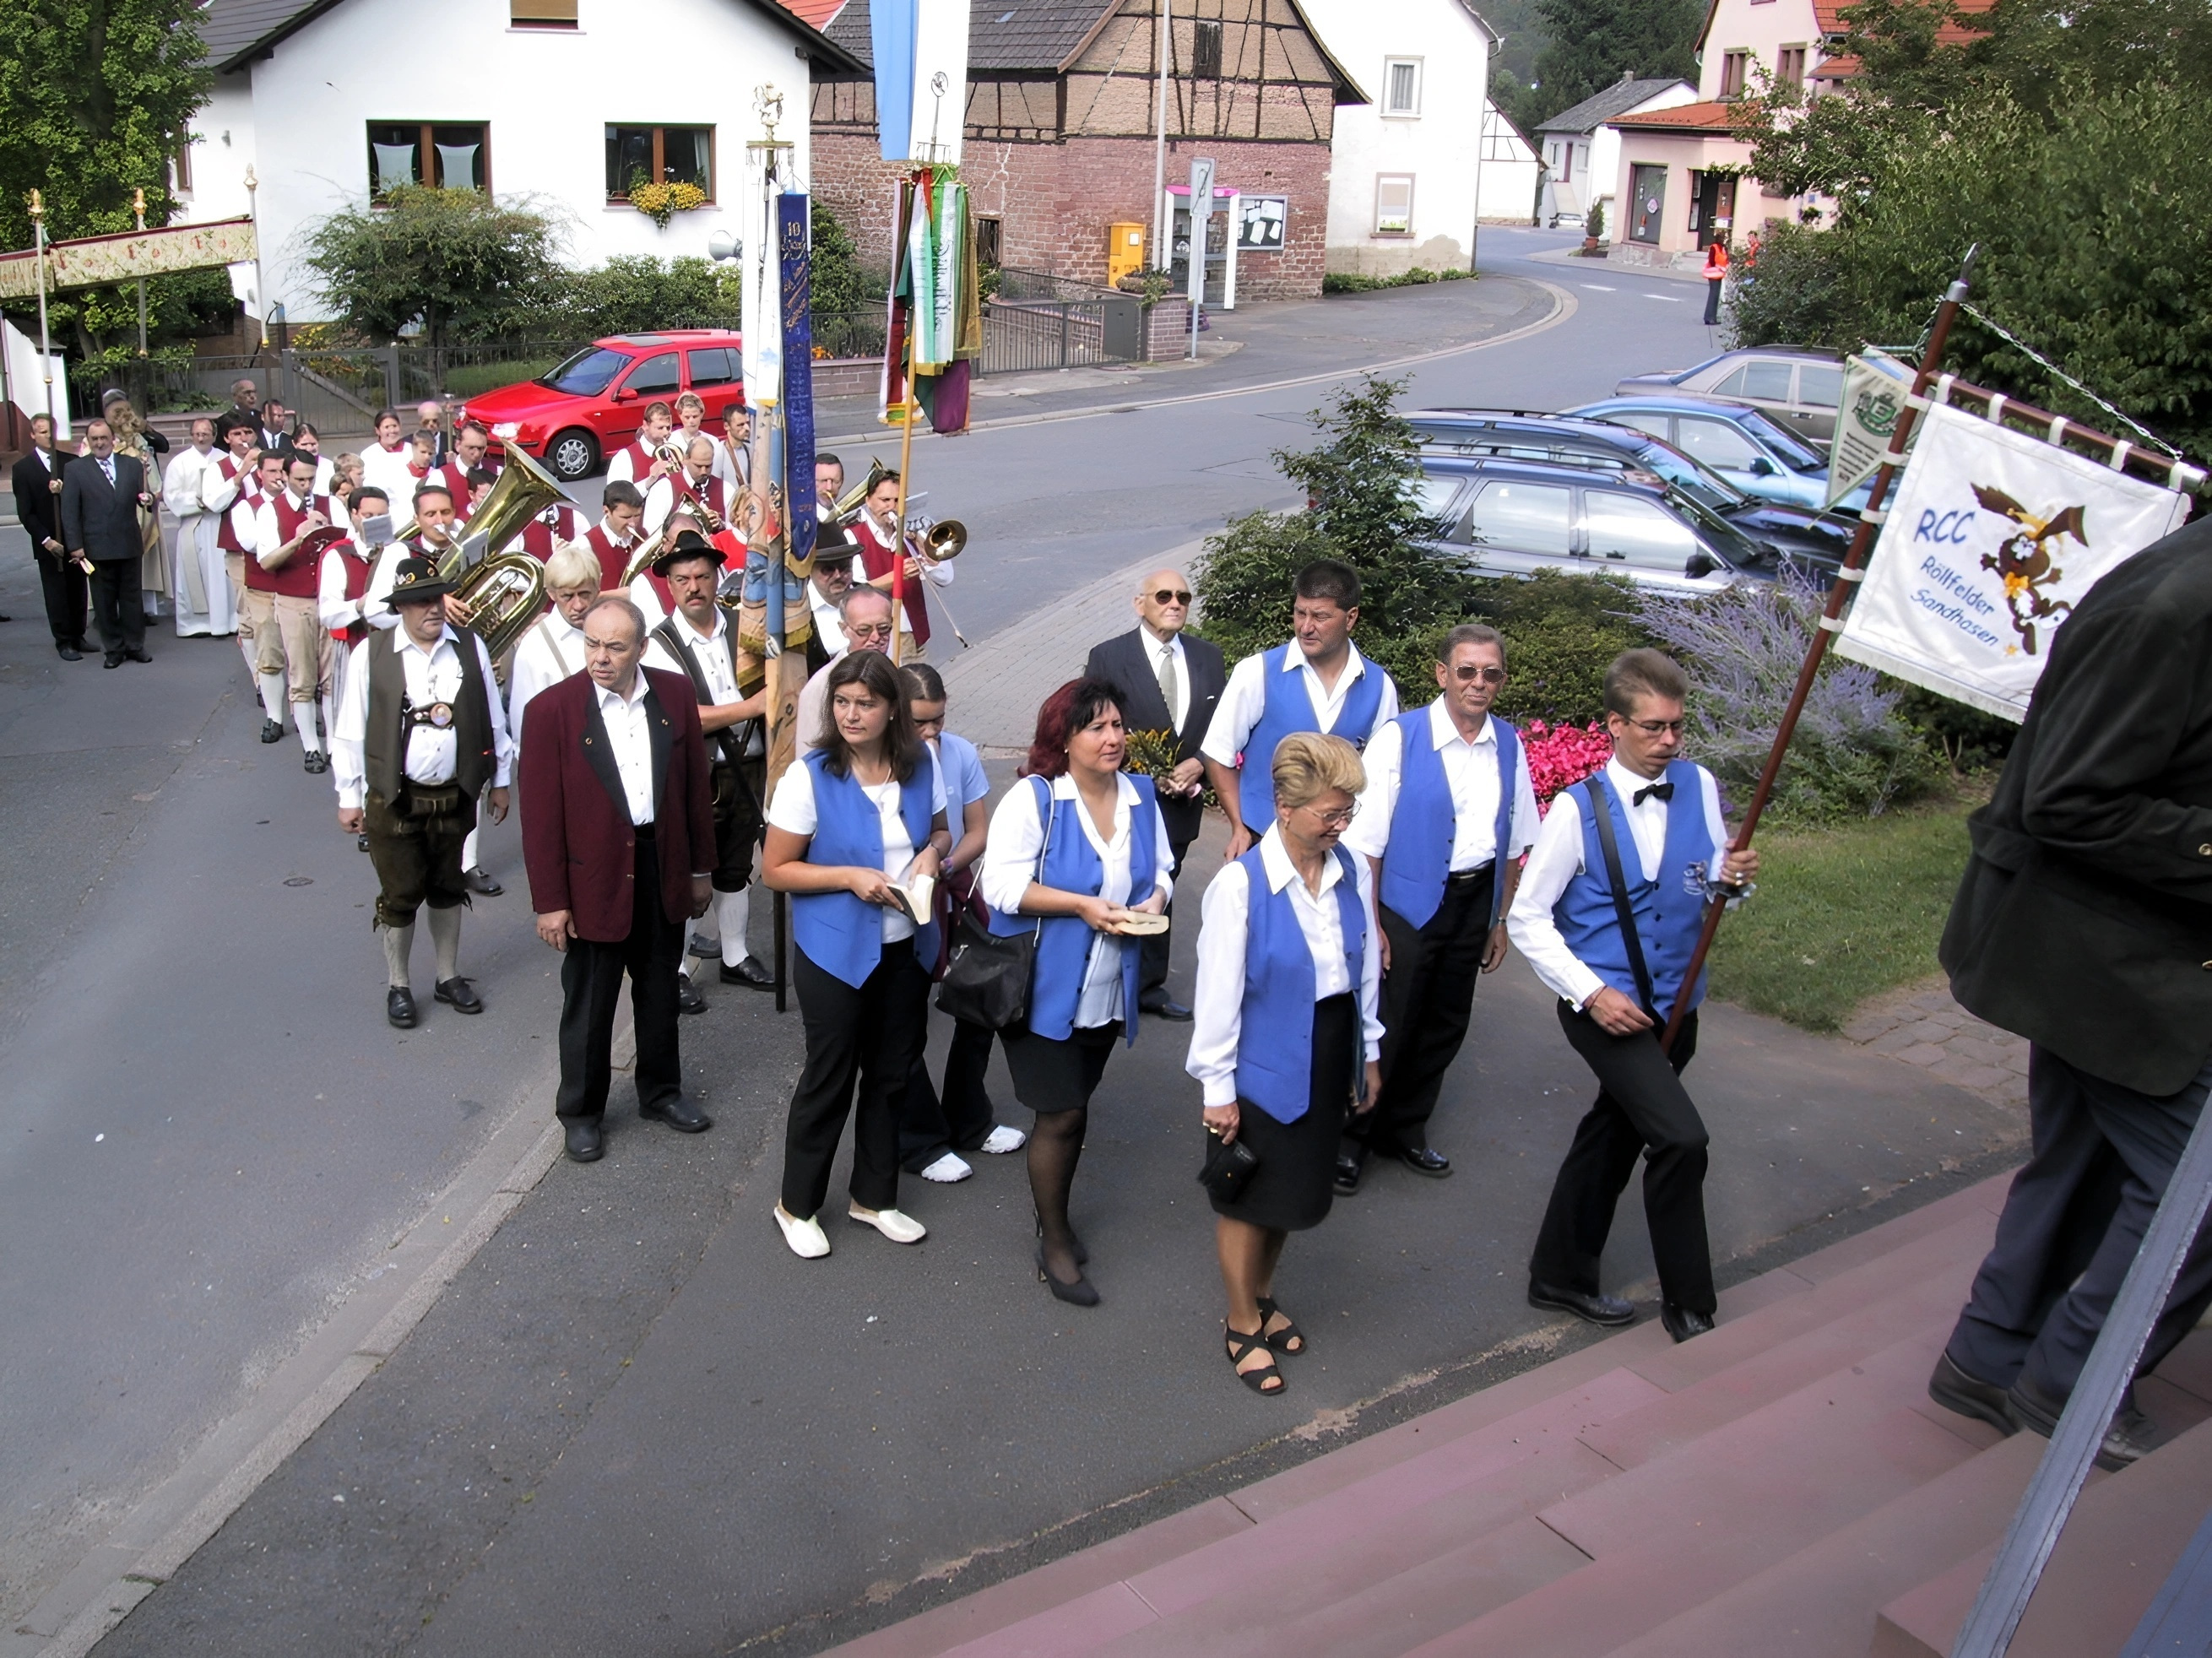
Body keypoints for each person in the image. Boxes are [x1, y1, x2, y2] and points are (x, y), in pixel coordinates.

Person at [1926, 518, 2212, 1470]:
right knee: (2196, 1191)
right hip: (2095, 958)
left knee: (2086, 1162)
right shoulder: (2171, 609)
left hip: (2110, 955)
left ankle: (1986, 1358)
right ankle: (2073, 1382)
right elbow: (2072, 799)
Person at [1509, 648, 1754, 1344]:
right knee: (1680, 1138)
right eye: (1653, 727)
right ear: (1615, 725)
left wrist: (1732, 882)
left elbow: (1706, 887)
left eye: (1677, 726)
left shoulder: (1698, 785)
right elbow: (1527, 917)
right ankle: (1690, 1301)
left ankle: (1558, 1273)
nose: (1669, 740)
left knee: (1613, 1132)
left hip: (1679, 1002)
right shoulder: (1575, 809)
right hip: (1607, 1011)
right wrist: (1591, 994)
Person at [1188, 733, 1384, 1395]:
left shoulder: (1349, 869)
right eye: (1330, 813)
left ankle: (1264, 1295)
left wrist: (1369, 1052)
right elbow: (1217, 998)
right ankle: (1241, 1320)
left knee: (1291, 1193)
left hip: (1328, 1047)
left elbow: (1364, 969)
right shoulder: (1239, 887)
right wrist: (1218, 1090)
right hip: (1261, 1063)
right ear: (1284, 806)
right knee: (1248, 1200)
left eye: (1347, 812)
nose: (1341, 826)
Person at [980, 677, 1173, 1304]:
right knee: (1061, 1113)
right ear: (1063, 739)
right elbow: (999, 887)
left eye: (1117, 725)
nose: (1113, 738)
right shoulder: (1037, 798)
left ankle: (1052, 1216)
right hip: (1042, 988)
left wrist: (1155, 899)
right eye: (1096, 728)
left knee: (1076, 1104)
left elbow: (1163, 868)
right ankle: (1055, 1241)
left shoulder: (1141, 795)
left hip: (1107, 989)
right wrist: (1082, 905)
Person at [1336, 623, 1539, 1192]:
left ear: (1501, 680)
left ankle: (1405, 1128)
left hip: (1474, 903)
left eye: (1491, 673)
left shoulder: (1508, 744)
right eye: (1467, 671)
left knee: (1445, 1021)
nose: (1479, 683)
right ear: (1443, 674)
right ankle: (1351, 1138)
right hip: (1406, 904)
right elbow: (1366, 845)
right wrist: (1373, 923)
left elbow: (1515, 842)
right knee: (1389, 1022)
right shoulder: (1400, 738)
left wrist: (1499, 919)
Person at [762, 651, 950, 1259]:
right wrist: (847, 877)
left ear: (892, 708)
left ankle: (874, 1197)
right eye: (841, 702)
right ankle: (796, 1205)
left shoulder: (920, 764)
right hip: (834, 954)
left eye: (865, 703)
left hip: (904, 948)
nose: (850, 714)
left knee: (892, 1075)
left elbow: (941, 830)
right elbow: (775, 870)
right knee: (830, 1077)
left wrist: (933, 855)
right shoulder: (809, 776)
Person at [521, 595, 718, 1162]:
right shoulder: (551, 711)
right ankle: (582, 1113)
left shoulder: (674, 694)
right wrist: (551, 901)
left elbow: (694, 789)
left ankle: (661, 1093)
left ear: (642, 648)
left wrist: (699, 870)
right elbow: (540, 817)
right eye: (591, 643)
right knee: (590, 1004)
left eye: (614, 646)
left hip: (661, 864)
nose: (600, 658)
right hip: (593, 878)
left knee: (660, 992)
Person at [331, 555, 514, 1028]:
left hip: (455, 794)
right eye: (418, 601)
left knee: (448, 886)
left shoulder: (469, 646)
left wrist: (500, 781)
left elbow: (493, 719)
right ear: (400, 608)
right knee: (400, 893)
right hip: (394, 798)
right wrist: (348, 795)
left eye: (435, 597)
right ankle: (399, 984)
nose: (431, 608)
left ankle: (447, 976)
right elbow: (350, 728)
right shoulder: (371, 653)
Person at [897, 662, 1028, 1184]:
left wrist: (948, 865)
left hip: (955, 887)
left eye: (939, 720)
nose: (932, 732)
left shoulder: (960, 752)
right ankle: (920, 1139)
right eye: (920, 722)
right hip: (903, 902)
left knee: (980, 1002)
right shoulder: (887, 761)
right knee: (904, 1019)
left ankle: (968, 1117)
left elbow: (977, 829)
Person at [1082, 568, 1228, 1021]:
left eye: (1183, 596)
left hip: (1182, 804)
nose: (1175, 603)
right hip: (1122, 796)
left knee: (1163, 887)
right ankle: (1101, 979)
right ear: (1139, 603)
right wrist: (1137, 769)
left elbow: (1223, 727)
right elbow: (1090, 726)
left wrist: (1199, 763)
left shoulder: (1208, 658)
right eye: (1164, 595)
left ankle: (1147, 985)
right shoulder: (1109, 656)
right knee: (1114, 881)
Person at [641, 531, 776, 1008]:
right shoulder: (658, 644)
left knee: (736, 867)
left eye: (701, 576)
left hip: (752, 767)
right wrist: (752, 707)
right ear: (670, 585)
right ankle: (676, 969)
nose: (693, 586)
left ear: (717, 577)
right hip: (695, 777)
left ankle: (734, 956)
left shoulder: (746, 626)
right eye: (682, 579)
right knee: (688, 870)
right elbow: (682, 716)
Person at [1201, 559, 1398, 857]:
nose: (1306, 627)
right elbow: (1219, 753)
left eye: (1320, 616)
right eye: (1300, 613)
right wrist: (1239, 826)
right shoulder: (1257, 672)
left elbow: (1381, 778)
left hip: (1339, 847)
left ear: (1350, 618)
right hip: (1262, 840)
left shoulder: (1380, 687)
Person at [252, 452, 349, 771]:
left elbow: (348, 546)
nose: (306, 486)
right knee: (302, 677)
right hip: (293, 601)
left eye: (311, 479)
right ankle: (311, 748)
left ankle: (334, 745)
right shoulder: (270, 511)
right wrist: (299, 538)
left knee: (332, 678)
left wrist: (329, 531)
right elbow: (267, 562)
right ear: (285, 476)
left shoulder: (331, 504)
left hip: (328, 598)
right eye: (299, 480)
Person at [60, 419, 156, 669]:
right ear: (88, 441)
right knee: (104, 602)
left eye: (104, 438)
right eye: (95, 439)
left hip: (128, 543)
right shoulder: (75, 470)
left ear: (113, 440)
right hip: (96, 547)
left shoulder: (132, 465)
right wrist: (75, 546)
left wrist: (148, 499)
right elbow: (69, 512)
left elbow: (144, 498)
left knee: (132, 599)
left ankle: (135, 645)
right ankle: (113, 649)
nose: (100, 443)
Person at [850, 468, 952, 662]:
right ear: (868, 500)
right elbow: (855, 591)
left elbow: (946, 577)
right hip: (882, 640)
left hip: (915, 635)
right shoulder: (853, 535)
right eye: (885, 500)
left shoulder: (912, 528)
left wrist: (923, 547)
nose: (892, 507)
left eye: (898, 501)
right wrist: (898, 576)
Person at [506, 545, 601, 750]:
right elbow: (525, 730)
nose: (578, 605)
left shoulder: (615, 628)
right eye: (568, 596)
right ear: (551, 594)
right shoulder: (534, 648)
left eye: (585, 594)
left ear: (598, 588)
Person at [15, 413, 91, 658]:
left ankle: (78, 635)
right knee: (56, 592)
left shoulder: (70, 463)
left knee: (78, 589)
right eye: (42, 432)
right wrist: (46, 541)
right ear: (33, 434)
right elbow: (26, 513)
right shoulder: (23, 469)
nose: (48, 436)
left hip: (73, 539)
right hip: (49, 541)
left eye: (51, 431)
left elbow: (82, 501)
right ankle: (64, 640)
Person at [203, 422, 268, 686]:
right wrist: (241, 473)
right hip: (239, 551)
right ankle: (258, 678)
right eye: (237, 434)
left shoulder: (268, 462)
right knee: (248, 613)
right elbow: (214, 503)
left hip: (270, 547)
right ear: (227, 438)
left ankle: (275, 668)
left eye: (248, 433)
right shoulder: (217, 469)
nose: (244, 438)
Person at [794, 586, 897, 756]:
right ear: (844, 629)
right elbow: (809, 755)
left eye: (884, 628)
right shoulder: (821, 686)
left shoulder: (896, 665)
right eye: (864, 630)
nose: (876, 637)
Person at [318, 484, 388, 723]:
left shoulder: (398, 551)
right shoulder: (337, 555)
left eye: (382, 516)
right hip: (353, 644)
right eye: (369, 516)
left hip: (393, 646)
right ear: (354, 515)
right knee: (351, 718)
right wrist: (358, 605)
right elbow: (327, 614)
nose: (376, 522)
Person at [101, 393, 169, 622]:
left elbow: (160, 448)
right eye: (117, 412)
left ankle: (142, 609)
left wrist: (144, 429)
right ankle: (112, 610)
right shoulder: (102, 439)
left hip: (143, 506)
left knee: (143, 561)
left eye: (126, 410)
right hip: (113, 507)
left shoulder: (140, 438)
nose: (123, 417)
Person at [805, 527, 860, 669]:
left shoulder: (868, 597)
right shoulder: (799, 611)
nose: (838, 575)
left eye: (844, 567)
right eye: (828, 569)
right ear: (810, 569)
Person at [582, 481, 648, 593]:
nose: (632, 523)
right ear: (606, 511)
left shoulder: (643, 535)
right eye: (625, 517)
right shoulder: (585, 545)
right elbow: (580, 596)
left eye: (637, 515)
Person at [605, 401, 676, 490]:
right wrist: (650, 480)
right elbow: (616, 495)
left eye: (668, 427)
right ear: (645, 426)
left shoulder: (672, 452)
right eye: (660, 428)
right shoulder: (624, 457)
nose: (666, 433)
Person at [359, 409, 414, 505]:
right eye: (387, 427)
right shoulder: (369, 454)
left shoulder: (412, 450)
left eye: (395, 426)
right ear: (377, 430)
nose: (392, 431)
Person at [1701, 236, 1730, 326]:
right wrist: (1719, 267)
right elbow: (1712, 261)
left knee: (1715, 296)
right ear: (1717, 239)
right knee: (1713, 296)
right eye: (1722, 238)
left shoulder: (1723, 248)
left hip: (1720, 274)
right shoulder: (1714, 247)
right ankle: (1709, 318)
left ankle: (1711, 317)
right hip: (1714, 274)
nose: (1723, 240)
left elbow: (1727, 259)